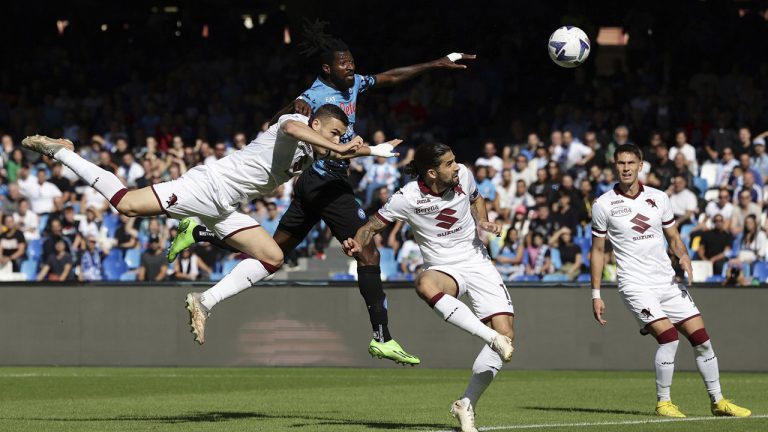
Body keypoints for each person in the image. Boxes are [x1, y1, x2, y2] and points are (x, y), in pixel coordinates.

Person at [168, 28, 475, 365]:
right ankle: (382, 338)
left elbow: (389, 78)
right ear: (327, 68)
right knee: (368, 253)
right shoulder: (312, 97)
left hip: (313, 185)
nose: (351, 68)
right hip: (324, 182)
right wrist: (290, 110)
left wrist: (437, 63)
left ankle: (199, 232)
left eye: (352, 63)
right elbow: (278, 123)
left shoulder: (354, 83)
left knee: (273, 253)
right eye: (344, 64)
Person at [21, 103, 378, 345]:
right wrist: (342, 149)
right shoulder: (289, 125)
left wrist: (370, 150)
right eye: (333, 132)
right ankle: (62, 151)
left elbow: (329, 149)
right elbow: (305, 134)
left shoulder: (313, 147)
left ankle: (203, 302)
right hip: (204, 187)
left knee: (272, 256)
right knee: (127, 204)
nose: (335, 140)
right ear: (316, 123)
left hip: (225, 206)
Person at [342, 142, 514, 432]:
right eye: (449, 163)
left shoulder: (465, 176)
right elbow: (372, 225)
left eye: (455, 160)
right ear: (432, 173)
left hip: (478, 262)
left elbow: (476, 199)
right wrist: (357, 242)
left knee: (507, 335)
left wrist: (483, 220)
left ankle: (465, 404)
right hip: (443, 266)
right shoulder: (407, 197)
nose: (456, 166)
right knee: (424, 282)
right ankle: (490, 336)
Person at [590, 144, 751, 418]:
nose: (626, 168)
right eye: (621, 163)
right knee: (669, 338)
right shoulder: (603, 204)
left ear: (641, 165)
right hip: (635, 285)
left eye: (631, 163)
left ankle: (718, 401)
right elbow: (596, 250)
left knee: (702, 341)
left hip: (666, 282)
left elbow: (674, 238)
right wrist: (595, 293)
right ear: (615, 167)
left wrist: (684, 256)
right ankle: (663, 403)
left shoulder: (659, 198)